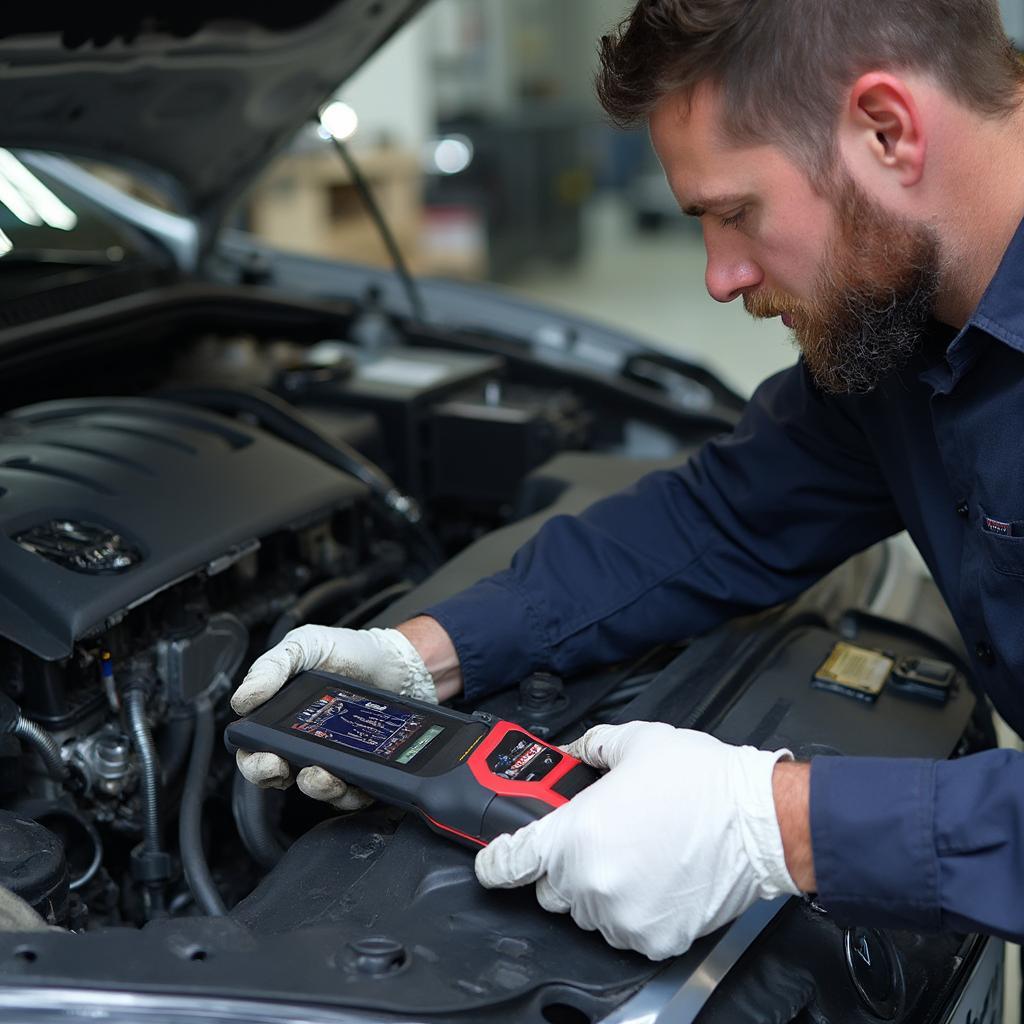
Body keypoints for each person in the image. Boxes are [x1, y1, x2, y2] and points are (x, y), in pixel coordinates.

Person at [231, 0, 1024, 963]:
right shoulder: (898, 335)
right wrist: (422, 655)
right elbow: (724, 518)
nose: (721, 277)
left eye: (735, 213)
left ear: (886, 129)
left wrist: (781, 824)